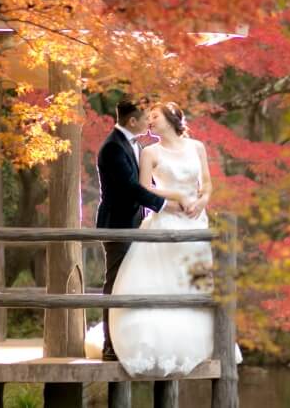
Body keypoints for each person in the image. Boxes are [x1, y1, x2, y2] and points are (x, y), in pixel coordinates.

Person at [108, 101, 235, 376]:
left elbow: (207, 183)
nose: (150, 121)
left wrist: (201, 201)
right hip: (166, 219)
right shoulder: (149, 152)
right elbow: (143, 188)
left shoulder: (197, 147)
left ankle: (200, 342)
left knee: (194, 283)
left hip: (195, 221)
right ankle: (158, 343)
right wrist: (175, 199)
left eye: (155, 116)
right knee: (160, 280)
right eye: (148, 117)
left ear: (172, 118)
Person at [95, 99, 193, 362]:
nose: (148, 122)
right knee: (115, 284)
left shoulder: (133, 144)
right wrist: (165, 205)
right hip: (117, 223)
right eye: (144, 118)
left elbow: (145, 184)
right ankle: (110, 345)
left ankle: (128, 339)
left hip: (135, 222)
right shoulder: (113, 148)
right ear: (132, 122)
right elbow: (130, 188)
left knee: (131, 282)